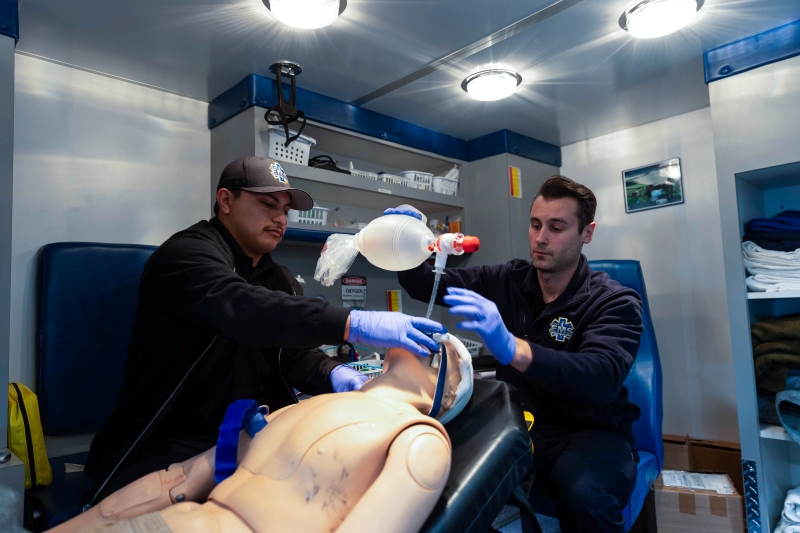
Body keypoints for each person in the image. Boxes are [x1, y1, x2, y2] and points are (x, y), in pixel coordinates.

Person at [83, 156, 446, 505]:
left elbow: (294, 355)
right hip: (169, 440)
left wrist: (336, 374)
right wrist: (354, 323)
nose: (279, 218)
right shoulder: (185, 256)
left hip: (251, 436)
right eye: (268, 204)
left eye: (285, 210)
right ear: (226, 200)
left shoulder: (281, 280)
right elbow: (242, 308)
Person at [397, 175, 644, 533]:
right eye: (535, 224)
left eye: (557, 227)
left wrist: (514, 348)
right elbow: (424, 283)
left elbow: (600, 378)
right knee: (436, 477)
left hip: (590, 435)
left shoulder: (614, 301)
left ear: (586, 233)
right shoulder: (509, 279)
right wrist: (402, 239)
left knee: (583, 494)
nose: (541, 238)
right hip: (516, 427)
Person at [50, 337, 473, 533]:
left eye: (449, 354)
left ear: (448, 395)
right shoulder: (302, 406)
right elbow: (177, 479)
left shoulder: (419, 438)